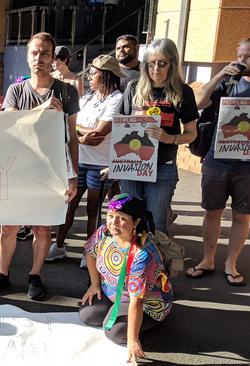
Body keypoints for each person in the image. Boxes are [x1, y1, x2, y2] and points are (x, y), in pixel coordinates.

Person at [0, 32, 79, 300]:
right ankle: (2, 274)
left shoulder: (67, 91)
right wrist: (44, 109)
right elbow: (10, 124)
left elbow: (72, 137)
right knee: (8, 226)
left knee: (41, 228)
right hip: (18, 170)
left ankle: (35, 276)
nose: (39, 58)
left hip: (52, 171)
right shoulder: (16, 90)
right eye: (34, 53)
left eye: (45, 53)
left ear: (53, 57)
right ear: (27, 57)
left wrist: (74, 176)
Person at [186, 37, 250, 286]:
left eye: (247, 56)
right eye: (239, 54)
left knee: (242, 216)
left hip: (247, 163)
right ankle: (207, 259)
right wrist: (218, 76)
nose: (241, 60)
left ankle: (231, 264)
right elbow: (198, 103)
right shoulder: (227, 82)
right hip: (218, 156)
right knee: (212, 211)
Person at [79, 194, 173, 363]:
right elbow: (90, 253)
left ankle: (148, 324)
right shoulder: (104, 232)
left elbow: (136, 302)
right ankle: (113, 313)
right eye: (110, 215)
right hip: (113, 291)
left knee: (114, 333)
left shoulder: (143, 254)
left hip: (143, 303)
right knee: (87, 314)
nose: (113, 223)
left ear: (136, 222)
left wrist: (132, 339)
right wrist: (94, 285)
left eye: (121, 218)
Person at [47, 55, 124, 262]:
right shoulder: (88, 97)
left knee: (93, 210)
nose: (89, 76)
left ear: (106, 75)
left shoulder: (117, 99)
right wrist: (81, 133)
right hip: (79, 161)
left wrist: (77, 132)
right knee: (69, 205)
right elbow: (71, 124)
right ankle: (59, 245)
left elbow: (98, 135)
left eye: (94, 72)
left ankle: (89, 253)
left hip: (101, 164)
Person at [118, 38, 198, 235]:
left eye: (162, 63)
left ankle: (154, 265)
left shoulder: (183, 92)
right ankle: (130, 264)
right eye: (151, 63)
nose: (156, 69)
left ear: (172, 63)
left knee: (156, 223)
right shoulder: (133, 88)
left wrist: (169, 138)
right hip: (132, 165)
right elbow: (119, 126)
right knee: (128, 220)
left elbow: (191, 134)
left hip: (163, 167)